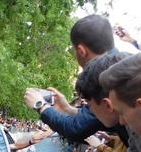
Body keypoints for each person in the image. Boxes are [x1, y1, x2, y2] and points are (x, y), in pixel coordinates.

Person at [24, 14, 116, 143]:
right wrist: (68, 109)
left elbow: (75, 129)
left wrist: (41, 106)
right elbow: (93, 117)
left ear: (81, 50)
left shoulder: (104, 77)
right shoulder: (117, 64)